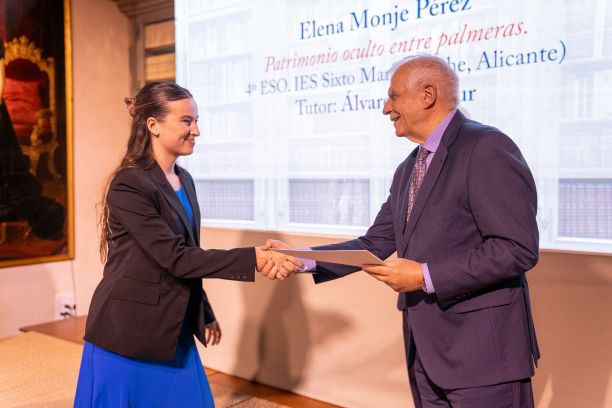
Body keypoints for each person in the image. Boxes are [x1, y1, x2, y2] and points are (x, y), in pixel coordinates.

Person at [266, 55, 540, 407]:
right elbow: (375, 243)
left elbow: (517, 249)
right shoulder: (408, 168)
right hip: (425, 354)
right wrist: (299, 258)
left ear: (428, 94)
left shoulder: (486, 147)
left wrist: (425, 275)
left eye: (394, 96)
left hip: (484, 357)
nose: (385, 108)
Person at [74, 81, 302, 407]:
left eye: (196, 121)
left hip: (173, 324)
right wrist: (253, 256)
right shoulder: (130, 183)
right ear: (153, 125)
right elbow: (175, 258)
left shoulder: (185, 180)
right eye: (186, 121)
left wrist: (202, 309)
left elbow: (189, 250)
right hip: (128, 331)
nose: (196, 130)